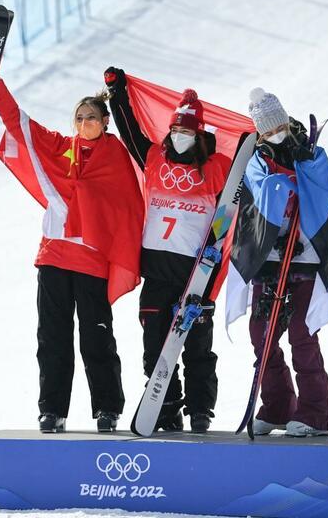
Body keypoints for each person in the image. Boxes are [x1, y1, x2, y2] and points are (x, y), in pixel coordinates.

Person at [0, 64, 144, 433]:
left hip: (92, 260)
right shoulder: (60, 148)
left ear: (104, 122)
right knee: (52, 336)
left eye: (92, 117)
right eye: (79, 117)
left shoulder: (115, 155)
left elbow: (127, 205)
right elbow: (21, 125)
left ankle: (107, 408)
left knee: (96, 336)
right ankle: (52, 409)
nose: (85, 122)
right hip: (54, 255)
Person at [104, 67, 231, 433]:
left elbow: (232, 206)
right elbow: (130, 132)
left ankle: (201, 410)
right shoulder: (155, 159)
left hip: (196, 272)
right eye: (175, 130)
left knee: (196, 347)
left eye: (187, 132)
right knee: (154, 344)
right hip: (157, 271)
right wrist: (117, 93)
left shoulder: (217, 168)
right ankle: (166, 403)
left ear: (198, 133)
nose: (179, 137)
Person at [231, 87, 328, 437]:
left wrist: (302, 170)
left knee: (302, 333)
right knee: (261, 333)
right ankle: (278, 404)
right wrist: (283, 183)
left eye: (276, 126)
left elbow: (323, 191)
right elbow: (260, 194)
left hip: (306, 258)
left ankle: (316, 412)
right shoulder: (258, 160)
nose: (274, 134)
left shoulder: (311, 153)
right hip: (271, 259)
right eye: (265, 130)